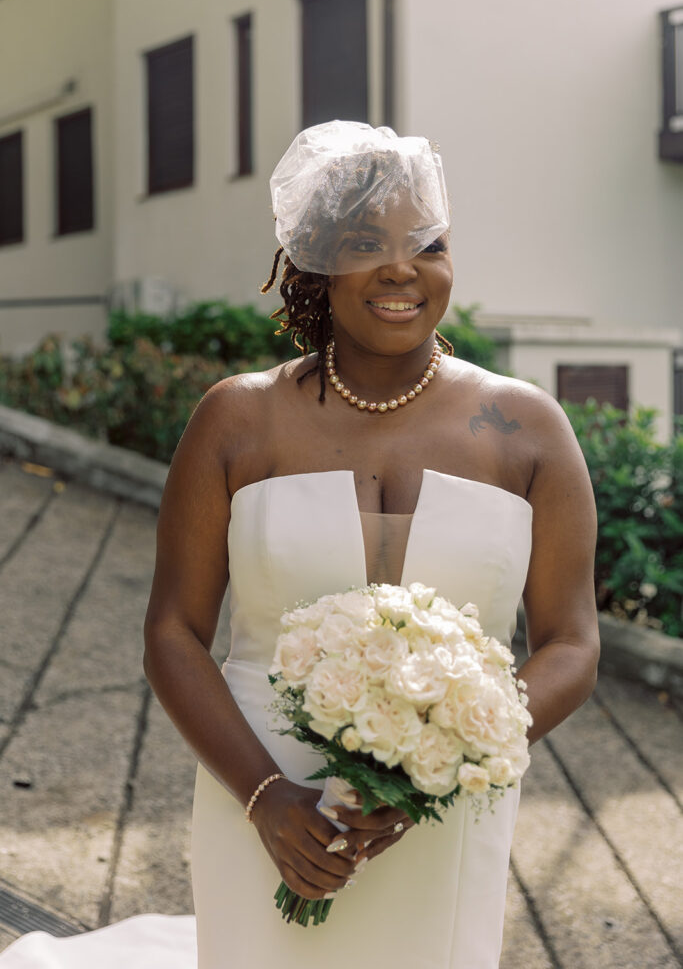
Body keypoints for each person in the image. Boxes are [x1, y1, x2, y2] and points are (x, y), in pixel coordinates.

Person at [0, 121, 599, 969]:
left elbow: (571, 643)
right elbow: (173, 632)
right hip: (260, 794)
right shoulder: (235, 419)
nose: (401, 268)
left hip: (449, 808)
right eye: (366, 243)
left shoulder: (527, 428)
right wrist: (264, 797)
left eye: (425, 244)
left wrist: (445, 763)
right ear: (315, 260)